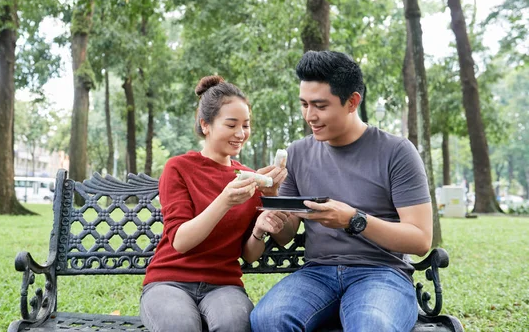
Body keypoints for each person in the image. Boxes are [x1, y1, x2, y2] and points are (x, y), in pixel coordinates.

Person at [250, 51, 433, 332]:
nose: (310, 116)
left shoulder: (396, 152)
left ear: (352, 102)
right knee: (268, 320)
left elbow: (420, 240)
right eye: (304, 104)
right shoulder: (298, 153)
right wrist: (274, 202)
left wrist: (353, 220)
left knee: (372, 326)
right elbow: (286, 235)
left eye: (320, 106)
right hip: (317, 273)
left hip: (382, 272)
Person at [140, 75, 288, 332]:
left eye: (246, 125)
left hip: (224, 284)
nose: (241, 134)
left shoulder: (247, 179)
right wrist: (224, 200)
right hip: (169, 281)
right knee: (181, 327)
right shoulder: (179, 168)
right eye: (231, 125)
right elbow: (181, 241)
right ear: (205, 125)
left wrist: (262, 221)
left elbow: (249, 255)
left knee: (235, 326)